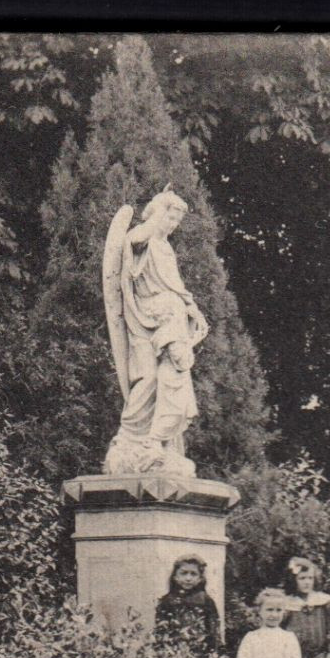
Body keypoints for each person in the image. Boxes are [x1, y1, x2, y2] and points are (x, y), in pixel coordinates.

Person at [103, 189, 209, 477]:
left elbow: (175, 287)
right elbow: (131, 243)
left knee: (171, 376)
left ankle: (156, 444)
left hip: (168, 319)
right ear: (159, 214)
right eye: (170, 217)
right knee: (146, 378)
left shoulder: (166, 249)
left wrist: (193, 310)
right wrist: (155, 216)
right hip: (145, 319)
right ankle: (128, 440)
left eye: (177, 220)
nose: (173, 224)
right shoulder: (143, 238)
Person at [282, 557, 330, 658]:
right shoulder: (287, 604)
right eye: (302, 578)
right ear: (294, 580)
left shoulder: (323, 602)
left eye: (310, 578)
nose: (307, 582)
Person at [154, 554, 222, 653]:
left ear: (200, 578)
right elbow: (160, 630)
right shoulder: (167, 601)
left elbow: (214, 630)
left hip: (200, 652)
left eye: (193, 574)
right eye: (184, 573)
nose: (188, 578)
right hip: (173, 651)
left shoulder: (206, 601)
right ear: (175, 577)